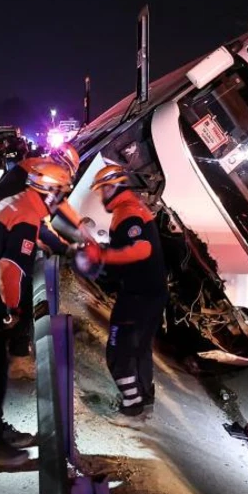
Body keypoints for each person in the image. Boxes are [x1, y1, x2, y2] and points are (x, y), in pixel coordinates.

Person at [0, 158, 76, 469]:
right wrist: (12, 309)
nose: (62, 201)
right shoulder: (25, 216)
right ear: (50, 193)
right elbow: (9, 269)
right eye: (61, 194)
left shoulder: (20, 202)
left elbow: (39, 235)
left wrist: (67, 248)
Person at [0, 142, 83, 380]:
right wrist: (66, 245)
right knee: (18, 295)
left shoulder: (31, 168)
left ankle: (0, 350)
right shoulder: (36, 175)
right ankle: (12, 355)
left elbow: (42, 217)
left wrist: (65, 237)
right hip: (3, 236)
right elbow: (35, 219)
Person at [83, 163, 168, 419]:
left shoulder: (129, 213)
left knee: (118, 349)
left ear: (112, 187)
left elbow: (141, 249)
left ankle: (131, 405)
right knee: (140, 348)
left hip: (138, 297)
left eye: (101, 191)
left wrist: (102, 254)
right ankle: (145, 397)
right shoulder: (132, 209)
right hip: (151, 294)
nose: (100, 197)